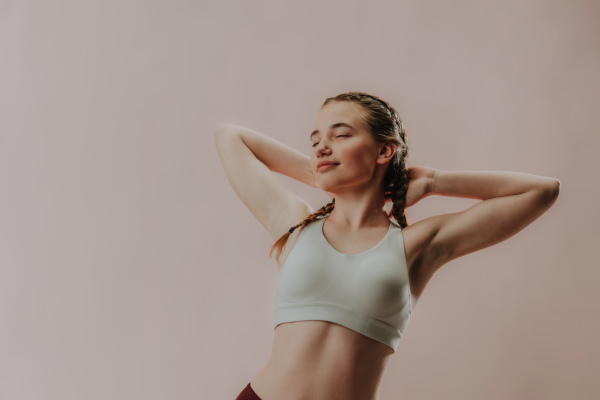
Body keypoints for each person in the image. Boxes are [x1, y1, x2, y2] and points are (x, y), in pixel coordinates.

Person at [214, 92, 560, 400]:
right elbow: (230, 136)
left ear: (384, 150)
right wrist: (318, 174)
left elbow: (541, 192)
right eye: (315, 139)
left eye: (341, 135)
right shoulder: (295, 226)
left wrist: (435, 182)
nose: (321, 146)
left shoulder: (416, 245)